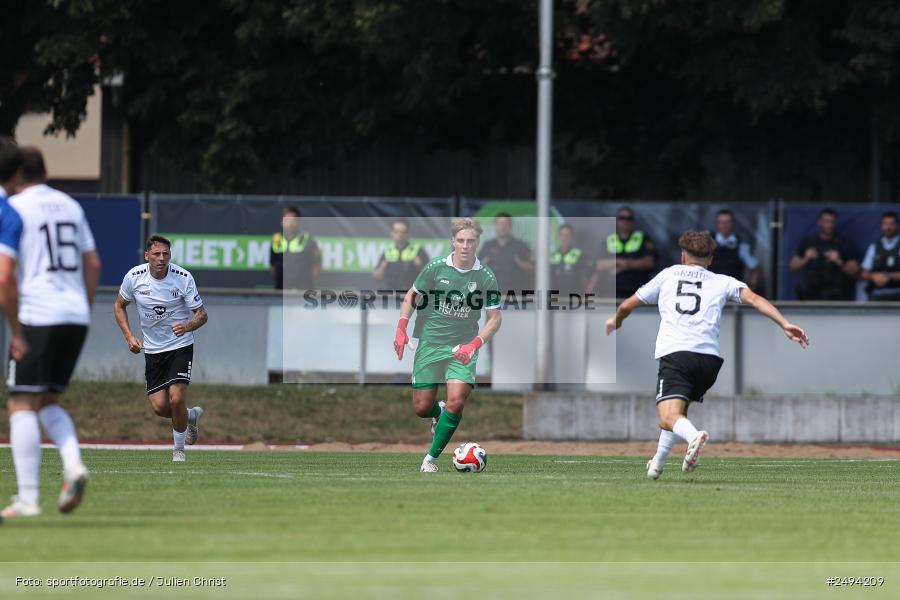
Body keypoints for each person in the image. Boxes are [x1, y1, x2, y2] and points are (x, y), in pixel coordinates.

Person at [605, 230, 809, 480]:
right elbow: (755, 300)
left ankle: (694, 438)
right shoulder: (723, 281)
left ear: (683, 256)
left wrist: (617, 320)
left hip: (677, 354)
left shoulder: (668, 275)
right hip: (709, 362)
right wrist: (784, 323)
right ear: (710, 259)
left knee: (667, 416)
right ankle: (656, 464)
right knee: (677, 411)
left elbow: (626, 305)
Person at [3, 147, 101, 518]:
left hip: (37, 314)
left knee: (21, 402)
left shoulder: (14, 209)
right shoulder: (71, 206)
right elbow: (93, 263)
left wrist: (15, 329)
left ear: (14, 176)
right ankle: (73, 464)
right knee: (47, 401)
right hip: (74, 313)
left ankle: (28, 499)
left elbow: (4, 277)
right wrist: (83, 308)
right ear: (45, 171)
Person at [393, 218, 501, 473]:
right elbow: (411, 296)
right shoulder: (435, 268)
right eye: (461, 240)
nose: (465, 245)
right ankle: (436, 412)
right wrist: (401, 327)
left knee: (456, 402)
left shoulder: (485, 276)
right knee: (421, 408)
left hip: (463, 348)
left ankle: (430, 459)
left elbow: (494, 319)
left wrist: (474, 344)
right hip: (431, 342)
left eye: (470, 241)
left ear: (477, 243)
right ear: (453, 241)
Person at [114, 235, 208, 462]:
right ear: (147, 256)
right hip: (152, 350)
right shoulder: (134, 277)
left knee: (176, 399)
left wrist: (187, 326)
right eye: (156, 254)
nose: (161, 258)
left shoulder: (183, 277)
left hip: (180, 346)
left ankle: (178, 450)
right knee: (160, 407)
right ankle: (189, 416)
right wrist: (129, 337)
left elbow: (202, 315)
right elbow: (119, 306)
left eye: (165, 254)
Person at [587, 206, 657, 300]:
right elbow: (599, 265)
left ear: (633, 221)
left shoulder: (643, 238)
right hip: (610, 292)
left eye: (629, 218)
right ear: (616, 220)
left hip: (637, 293)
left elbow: (650, 262)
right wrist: (620, 262)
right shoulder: (609, 240)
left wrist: (623, 265)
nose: (625, 221)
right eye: (622, 218)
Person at [789, 208, 859, 300]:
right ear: (820, 222)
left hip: (836, 295)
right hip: (811, 295)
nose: (829, 225)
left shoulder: (844, 244)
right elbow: (792, 267)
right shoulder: (808, 242)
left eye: (832, 222)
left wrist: (839, 261)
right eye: (826, 221)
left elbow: (856, 272)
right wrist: (805, 259)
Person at [478, 213, 534, 297]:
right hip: (491, 295)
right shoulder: (487, 246)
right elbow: (475, 270)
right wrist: (485, 262)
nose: (502, 227)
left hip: (516, 296)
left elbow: (532, 269)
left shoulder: (521, 246)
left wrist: (518, 261)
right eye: (500, 224)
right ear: (495, 226)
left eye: (505, 224)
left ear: (510, 226)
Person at [709, 209, 761, 292]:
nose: (724, 225)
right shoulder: (708, 242)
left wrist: (750, 288)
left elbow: (755, 268)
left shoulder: (741, 244)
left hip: (733, 293)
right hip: (711, 291)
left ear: (733, 223)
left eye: (727, 222)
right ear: (716, 223)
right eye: (721, 222)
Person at [269, 206, 321, 290]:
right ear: (281, 222)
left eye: (293, 220)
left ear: (298, 222)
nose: (290, 223)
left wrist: (307, 283)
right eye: (287, 220)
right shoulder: (277, 239)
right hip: (281, 289)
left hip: (303, 289)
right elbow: (272, 265)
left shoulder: (307, 239)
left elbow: (316, 265)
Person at [373, 218, 429, 293]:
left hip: (412, 295)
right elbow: (377, 277)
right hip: (391, 295)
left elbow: (429, 276)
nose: (399, 234)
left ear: (408, 233)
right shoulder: (388, 251)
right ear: (392, 233)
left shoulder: (417, 250)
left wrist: (420, 266)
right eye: (396, 231)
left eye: (403, 231)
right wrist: (383, 266)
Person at [860, 211, 900, 302]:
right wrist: (873, 277)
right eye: (885, 224)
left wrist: (889, 276)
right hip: (877, 295)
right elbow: (863, 273)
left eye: (891, 224)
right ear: (881, 226)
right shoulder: (874, 247)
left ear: (897, 225)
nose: (888, 227)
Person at [550, 223, 589, 297]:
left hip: (573, 297)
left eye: (567, 235)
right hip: (555, 298)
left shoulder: (579, 255)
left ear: (571, 237)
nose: (564, 238)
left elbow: (584, 278)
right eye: (562, 235)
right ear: (558, 237)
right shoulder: (552, 256)